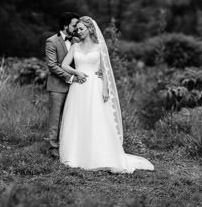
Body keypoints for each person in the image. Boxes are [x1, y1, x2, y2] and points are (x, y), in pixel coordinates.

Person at [58, 16, 154, 173]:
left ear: (90, 29)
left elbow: (104, 71)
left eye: (81, 29)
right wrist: (77, 73)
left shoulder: (99, 47)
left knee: (96, 118)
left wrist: (105, 89)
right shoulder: (75, 47)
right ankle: (76, 156)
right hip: (79, 87)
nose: (79, 32)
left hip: (95, 86)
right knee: (79, 118)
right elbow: (64, 65)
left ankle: (99, 155)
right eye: (77, 29)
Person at [44, 12, 86, 159]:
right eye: (74, 25)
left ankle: (69, 146)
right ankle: (53, 148)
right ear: (65, 25)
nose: (76, 28)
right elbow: (52, 66)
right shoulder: (52, 41)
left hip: (76, 88)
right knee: (55, 119)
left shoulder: (77, 41)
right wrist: (71, 77)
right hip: (57, 86)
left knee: (71, 118)